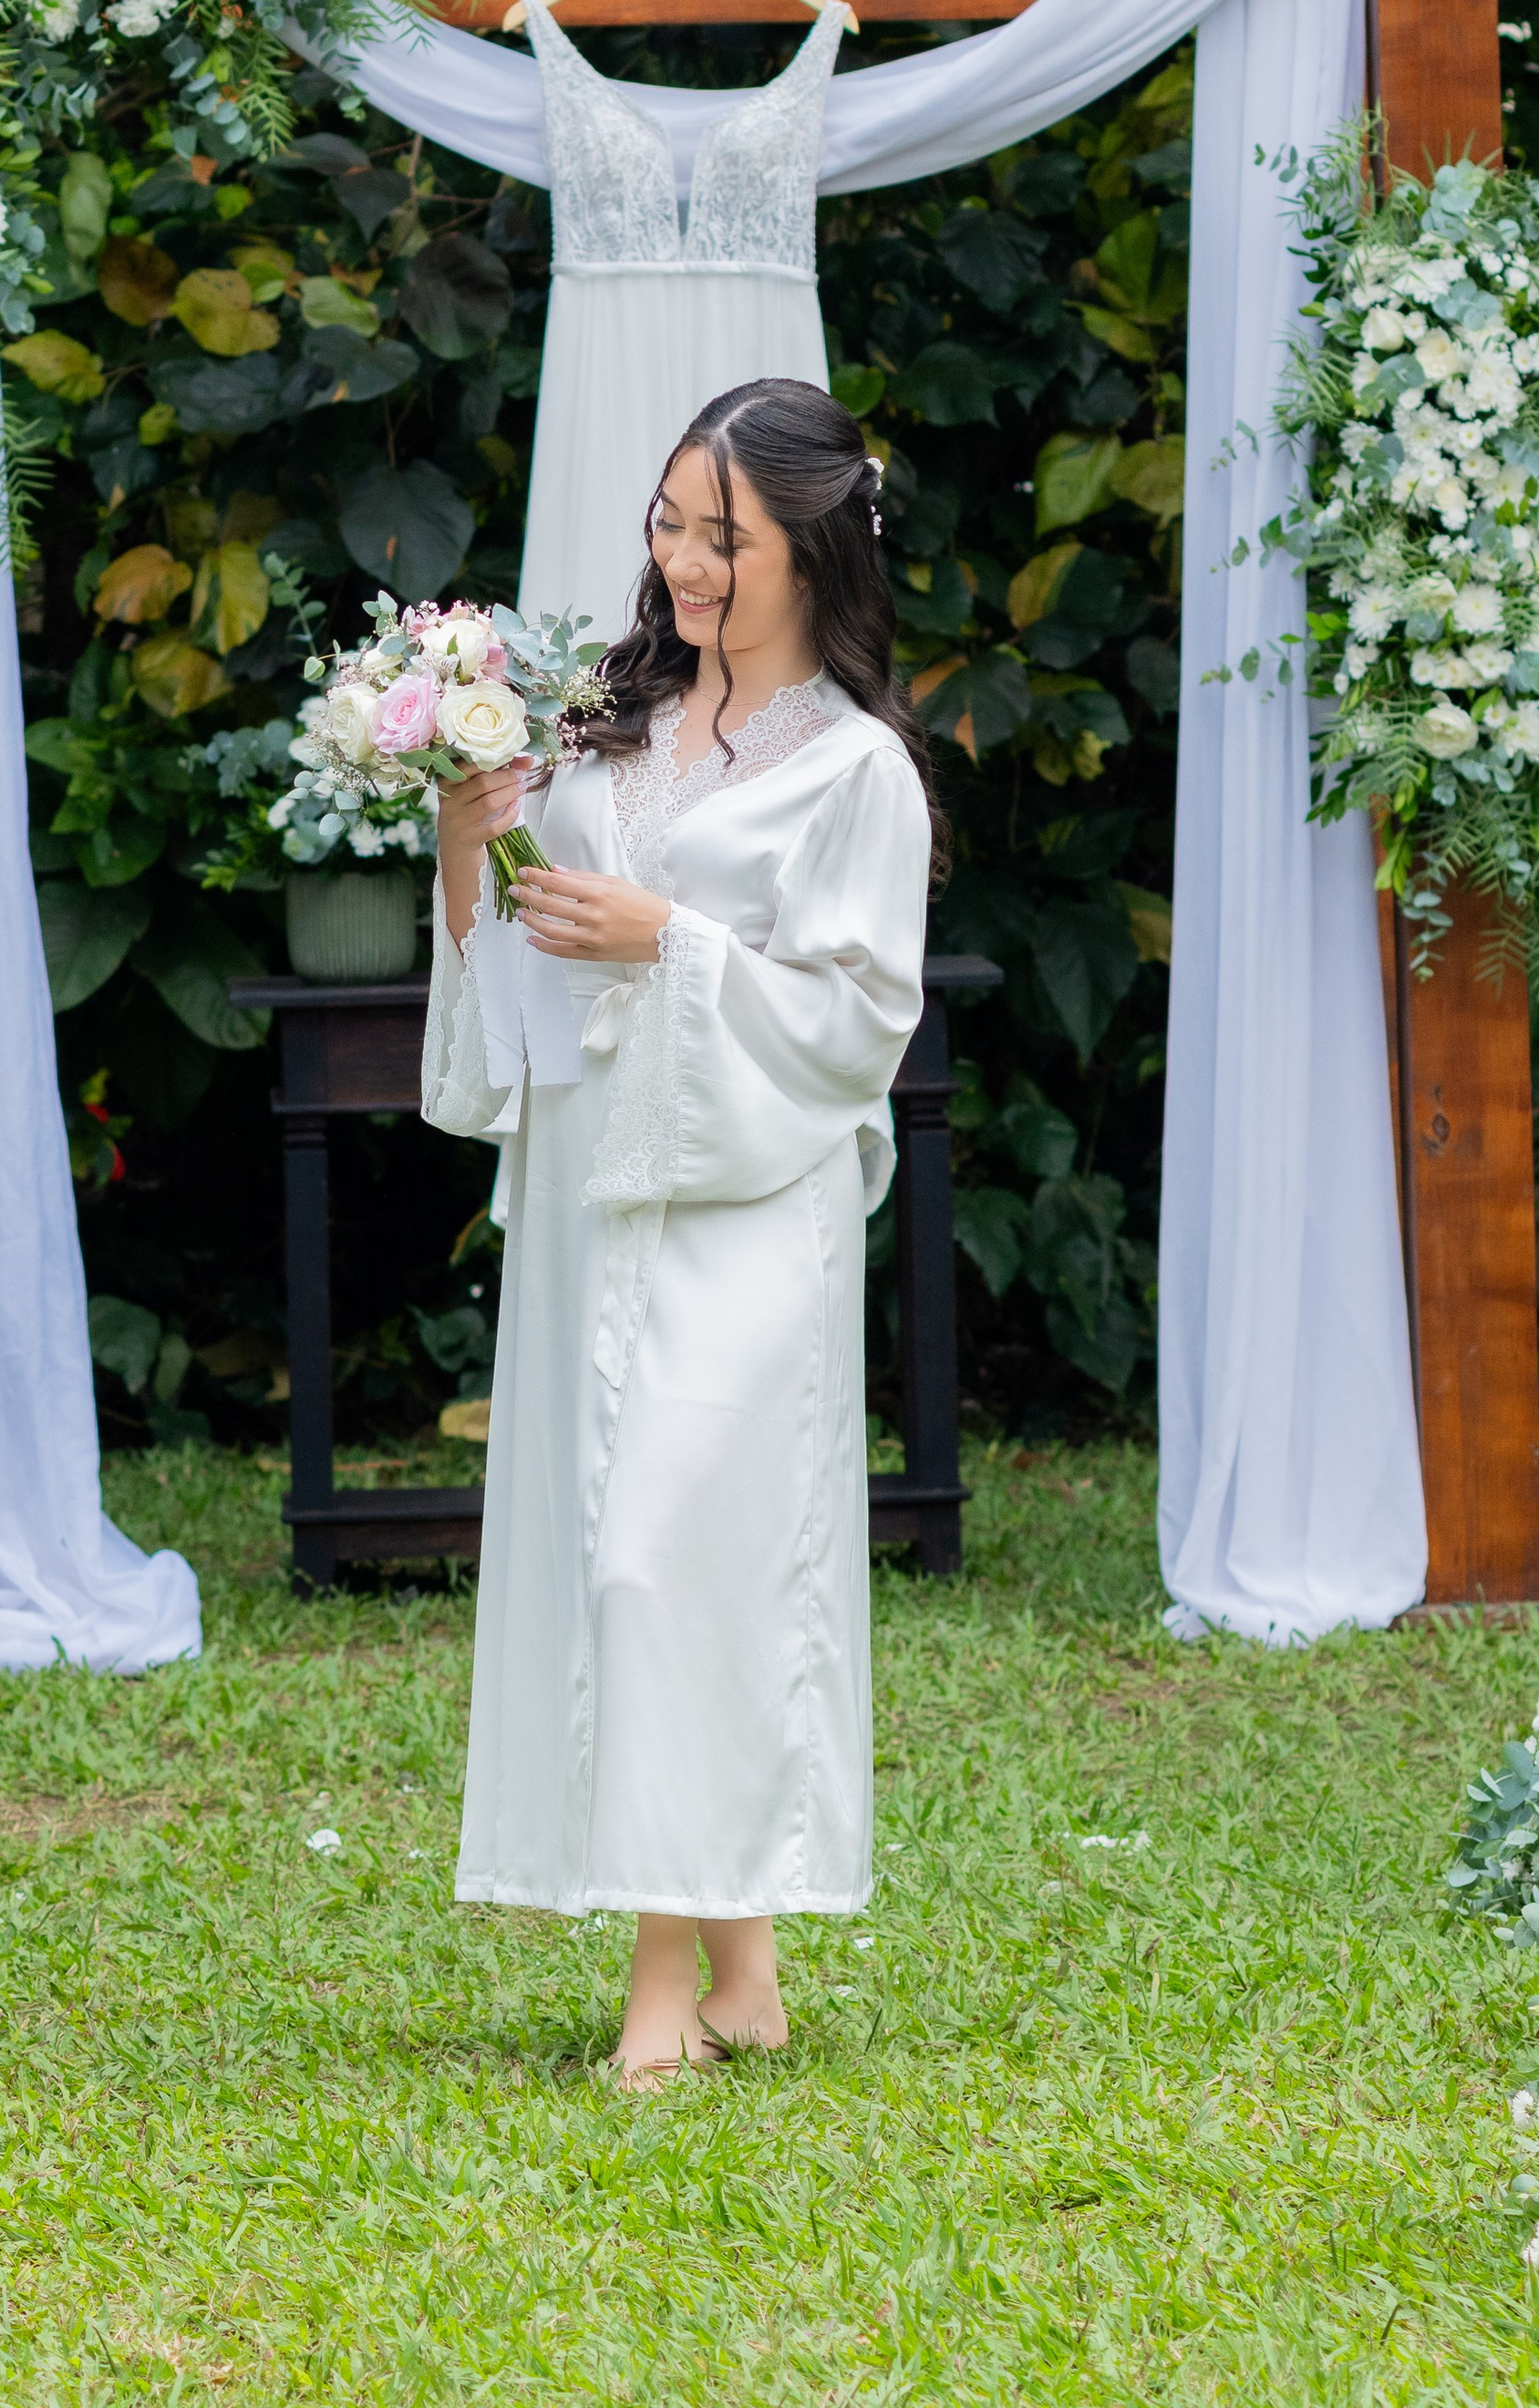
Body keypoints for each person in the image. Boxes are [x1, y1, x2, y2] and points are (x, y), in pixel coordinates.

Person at [423, 377, 945, 2087]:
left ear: (811, 546)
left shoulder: (861, 773)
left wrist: (674, 942)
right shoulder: (606, 724)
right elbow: (513, 948)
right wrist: (469, 831)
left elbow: (861, 1022)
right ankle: (746, 1976)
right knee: (618, 1554)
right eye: (669, 522)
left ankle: (663, 1997)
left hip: (743, 1209)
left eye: (723, 533)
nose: (685, 560)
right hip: (594, 1192)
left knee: (673, 1559)